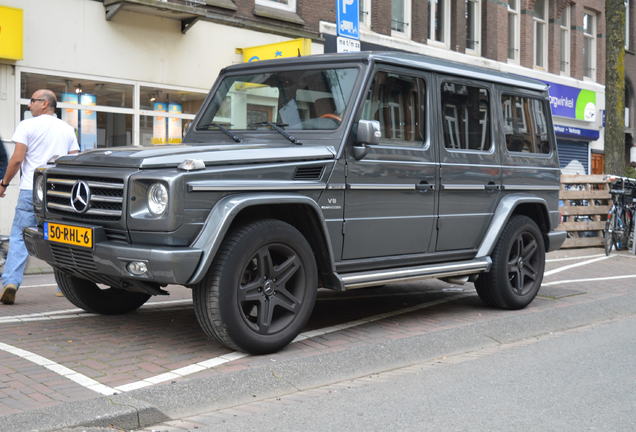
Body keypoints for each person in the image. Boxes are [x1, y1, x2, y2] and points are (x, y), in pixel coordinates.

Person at [0, 89, 79, 305]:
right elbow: (73, 163)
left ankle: (11, 282)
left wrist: (4, 183)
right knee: (59, 236)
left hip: (30, 190)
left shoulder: (27, 125)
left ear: (44, 103)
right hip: (59, 193)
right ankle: (66, 285)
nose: (29, 105)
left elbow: (17, 160)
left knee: (19, 236)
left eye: (32, 101)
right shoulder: (67, 129)